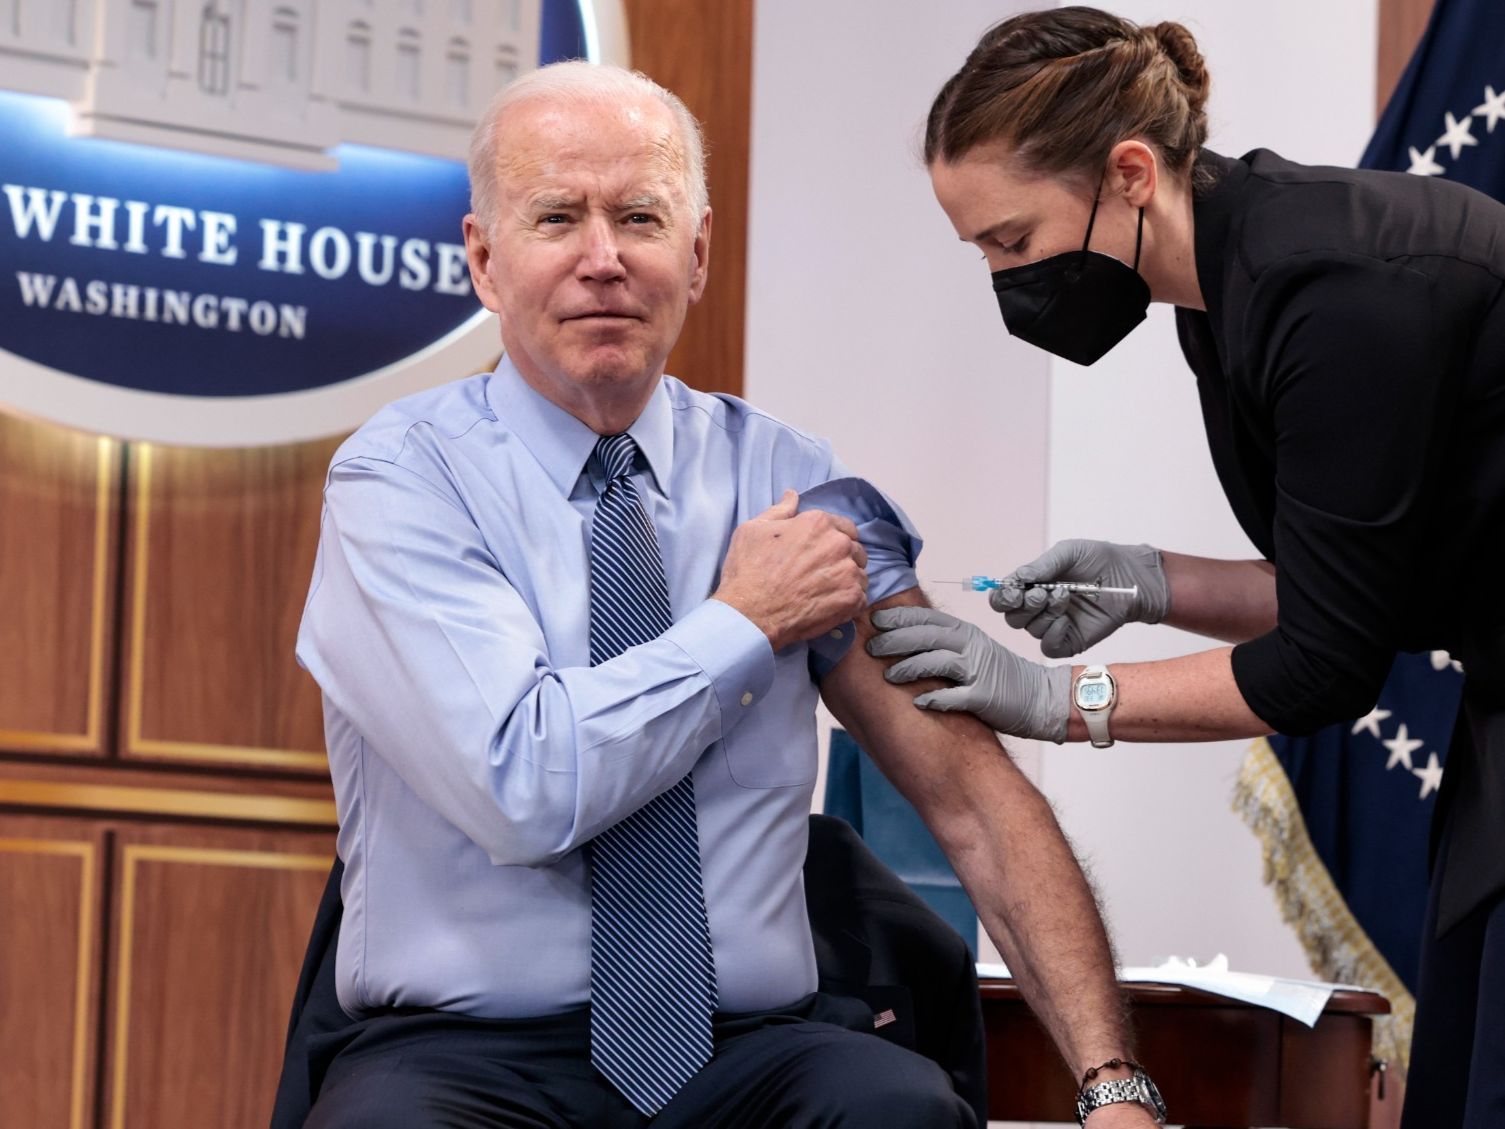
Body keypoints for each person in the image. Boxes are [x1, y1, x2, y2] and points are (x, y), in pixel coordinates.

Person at [295, 61, 1161, 1128]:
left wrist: (1112, 1085)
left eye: (640, 218)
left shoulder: (793, 485)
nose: (601, 259)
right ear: (483, 256)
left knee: (900, 1110)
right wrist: (742, 622)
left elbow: (969, 799)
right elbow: (522, 785)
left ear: (696, 254)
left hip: (741, 1046)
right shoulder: (399, 479)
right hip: (466, 1052)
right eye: (556, 216)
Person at [871, 7, 1505, 1127]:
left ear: (1127, 173)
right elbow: (1347, 590)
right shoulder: (1224, 290)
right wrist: (1146, 582)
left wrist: (1055, 700)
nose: (1000, 278)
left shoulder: (1334, 290)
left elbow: (1321, 668)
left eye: (1009, 242)